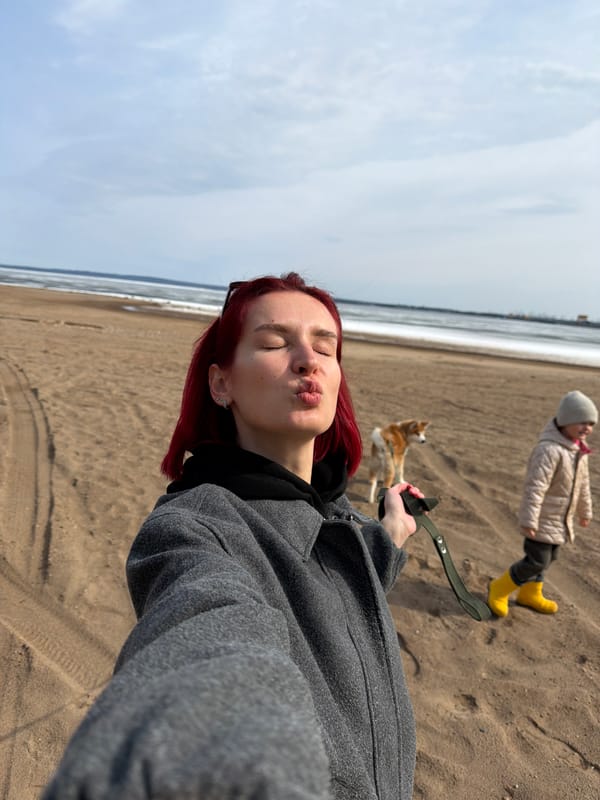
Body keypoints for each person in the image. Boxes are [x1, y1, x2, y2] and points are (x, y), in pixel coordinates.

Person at [43, 272, 422, 800]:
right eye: (273, 342)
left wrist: (390, 534)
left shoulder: (340, 513)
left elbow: (335, 597)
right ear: (221, 384)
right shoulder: (196, 527)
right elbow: (209, 626)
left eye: (326, 347)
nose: (307, 360)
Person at [487, 390, 596, 618]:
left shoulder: (578, 451)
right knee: (537, 560)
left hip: (559, 520)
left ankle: (530, 593)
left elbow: (582, 486)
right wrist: (529, 519)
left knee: (550, 558)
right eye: (582, 422)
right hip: (542, 519)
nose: (587, 428)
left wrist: (584, 511)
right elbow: (535, 487)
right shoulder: (549, 450)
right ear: (566, 420)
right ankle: (500, 588)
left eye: (591, 423)